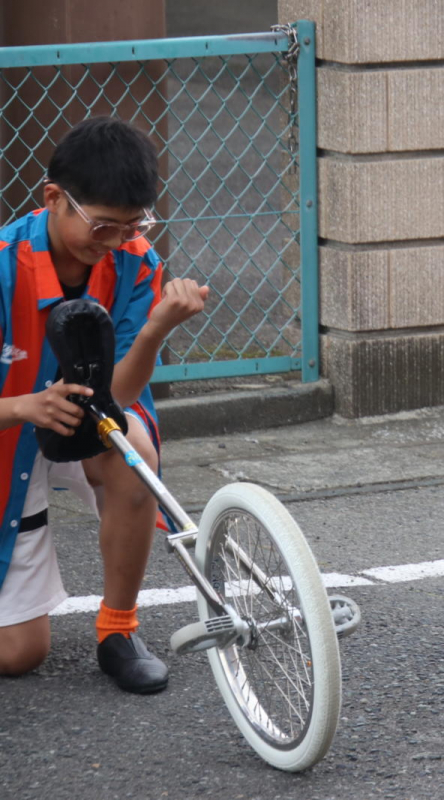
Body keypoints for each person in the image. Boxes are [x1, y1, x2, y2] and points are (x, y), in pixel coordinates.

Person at [0, 117, 208, 693]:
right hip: (7, 430)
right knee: (19, 654)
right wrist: (23, 407)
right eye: (103, 226)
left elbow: (120, 396)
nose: (116, 241)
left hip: (84, 416)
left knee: (132, 451)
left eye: (132, 225)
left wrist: (153, 333)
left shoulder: (135, 260)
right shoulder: (0, 267)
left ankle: (118, 629)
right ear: (52, 199)